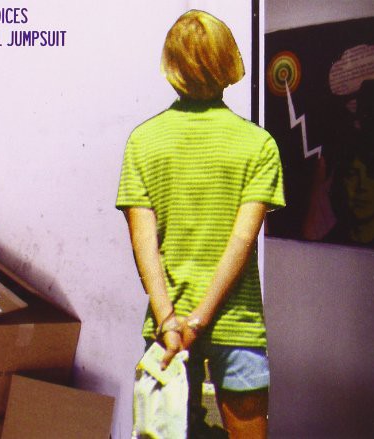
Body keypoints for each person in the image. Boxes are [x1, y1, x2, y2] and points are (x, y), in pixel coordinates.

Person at [116, 10, 285, 438]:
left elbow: (142, 244)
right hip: (237, 322)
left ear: (171, 65)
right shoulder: (258, 145)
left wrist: (170, 321)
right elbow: (242, 242)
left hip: (167, 327)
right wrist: (200, 321)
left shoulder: (143, 142)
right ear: (228, 60)